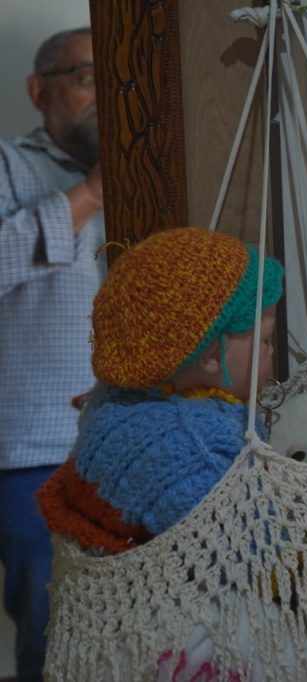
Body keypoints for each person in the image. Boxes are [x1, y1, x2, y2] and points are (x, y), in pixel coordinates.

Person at [37, 226, 283, 555]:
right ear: (212, 356)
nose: (272, 351)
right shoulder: (194, 454)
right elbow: (255, 554)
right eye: (265, 340)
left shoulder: (116, 399)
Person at [0, 26, 104, 681]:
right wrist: (92, 193)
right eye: (86, 77)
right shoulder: (8, 165)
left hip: (131, 437)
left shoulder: (156, 168)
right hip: (34, 449)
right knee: (51, 626)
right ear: (40, 90)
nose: (104, 95)